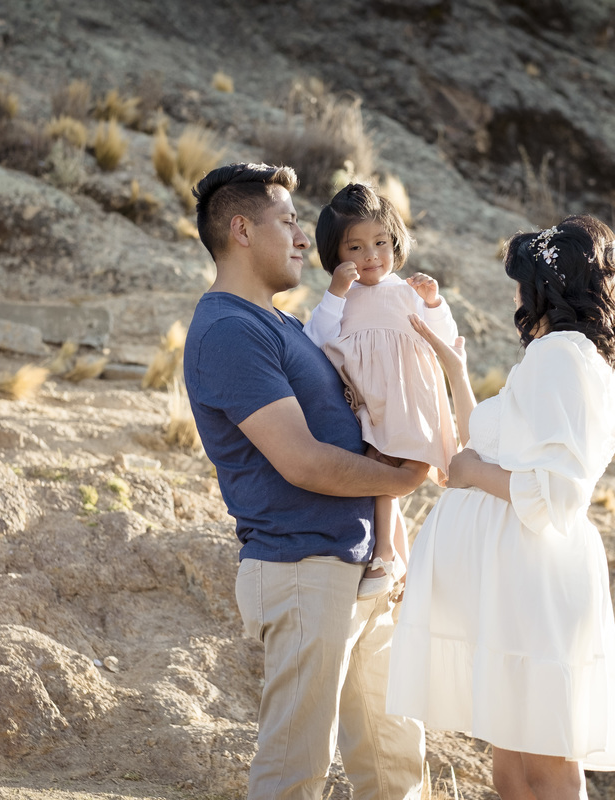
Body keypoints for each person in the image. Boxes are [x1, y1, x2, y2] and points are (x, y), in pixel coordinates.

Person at [182, 162, 426, 800]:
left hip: (361, 567)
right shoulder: (230, 331)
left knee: (395, 763)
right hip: (301, 568)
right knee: (297, 768)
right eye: (288, 222)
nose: (301, 238)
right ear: (241, 230)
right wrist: (402, 480)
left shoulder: (286, 325)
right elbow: (304, 461)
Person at [387, 215, 615, 799]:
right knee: (513, 766)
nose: (515, 298)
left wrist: (471, 473)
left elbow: (559, 493)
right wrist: (456, 370)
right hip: (512, 580)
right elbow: (492, 443)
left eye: (521, 284)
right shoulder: (566, 357)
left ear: (548, 288)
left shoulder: (562, 357)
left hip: (532, 577)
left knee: (545, 766)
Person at [304, 182, 459, 599]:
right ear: (335, 254)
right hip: (371, 403)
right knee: (381, 474)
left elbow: (444, 340)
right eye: (354, 248)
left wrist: (433, 302)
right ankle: (395, 563)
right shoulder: (342, 298)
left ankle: (388, 556)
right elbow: (315, 339)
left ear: (395, 242)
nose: (370, 255)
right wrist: (335, 292)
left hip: (409, 400)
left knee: (387, 471)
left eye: (380, 243)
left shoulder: (407, 292)